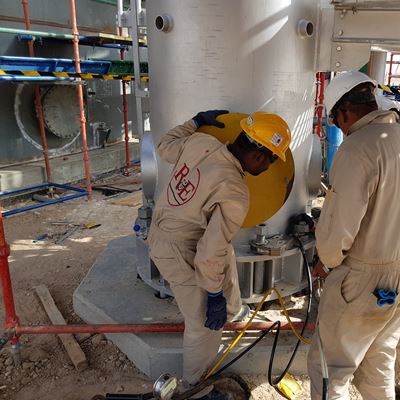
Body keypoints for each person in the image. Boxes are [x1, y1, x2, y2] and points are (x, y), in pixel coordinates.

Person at [148, 110, 291, 399]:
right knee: (202, 322)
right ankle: (194, 387)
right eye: (272, 160)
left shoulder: (201, 142)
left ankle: (234, 310)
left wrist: (195, 122)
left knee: (224, 250)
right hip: (175, 251)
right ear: (258, 157)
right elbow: (207, 255)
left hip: (166, 229)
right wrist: (213, 295)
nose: (269, 167)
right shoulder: (234, 191)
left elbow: (163, 146)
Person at [308, 70, 400, 400]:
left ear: (344, 112)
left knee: (330, 371)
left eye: (337, 122)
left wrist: (325, 262)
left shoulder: (357, 149)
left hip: (361, 279)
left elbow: (337, 236)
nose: (340, 129)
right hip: (396, 278)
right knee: (378, 366)